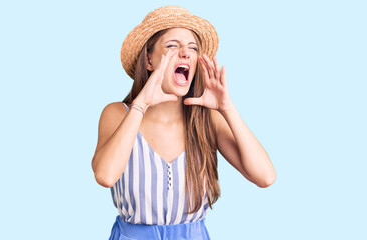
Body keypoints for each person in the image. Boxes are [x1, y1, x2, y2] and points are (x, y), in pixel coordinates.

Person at [91, 5, 276, 240]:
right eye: (172, 46)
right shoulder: (118, 113)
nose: (185, 53)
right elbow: (105, 176)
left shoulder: (207, 119)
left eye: (192, 47)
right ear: (149, 60)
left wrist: (227, 109)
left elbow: (265, 177)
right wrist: (141, 104)